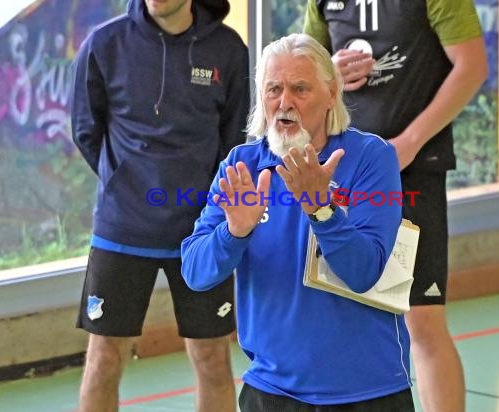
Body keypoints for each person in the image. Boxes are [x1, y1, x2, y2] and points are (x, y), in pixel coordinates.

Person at [181, 33, 414, 411]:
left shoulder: (370, 158)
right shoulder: (243, 166)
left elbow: (364, 271)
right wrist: (234, 231)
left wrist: (322, 209)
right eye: (273, 89)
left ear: (331, 93)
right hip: (271, 391)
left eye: (300, 89)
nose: (284, 103)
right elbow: (196, 272)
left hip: (367, 391)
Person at [303, 1, 488, 411]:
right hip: (342, 171)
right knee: (339, 315)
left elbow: (472, 66)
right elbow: (303, 64)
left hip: (412, 169)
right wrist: (329, 70)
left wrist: (409, 143)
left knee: (421, 318)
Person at [70, 0, 249, 410]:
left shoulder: (228, 50)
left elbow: (235, 139)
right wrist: (126, 185)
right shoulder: (104, 44)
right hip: (122, 231)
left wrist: (211, 203)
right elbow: (86, 130)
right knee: (105, 357)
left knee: (212, 358)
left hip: (202, 231)